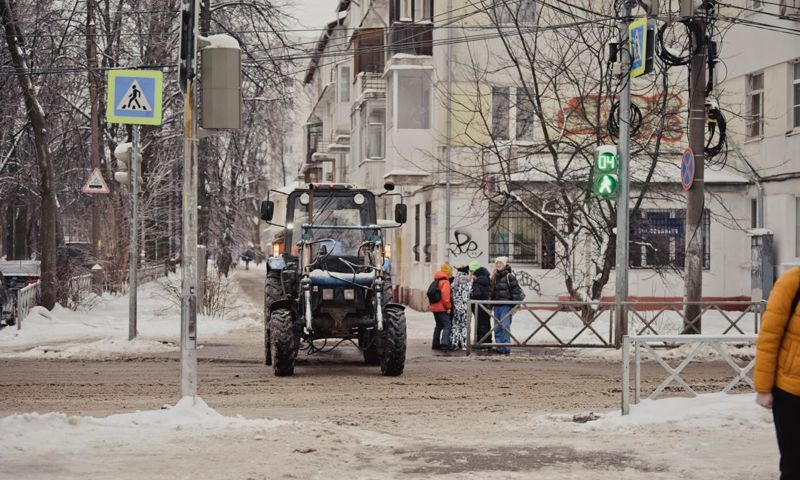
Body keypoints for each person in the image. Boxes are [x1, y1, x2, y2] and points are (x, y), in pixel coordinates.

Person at [754, 267, 800, 480]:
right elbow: (769, 336)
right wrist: (763, 388)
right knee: (794, 467)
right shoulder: (793, 281)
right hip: (791, 394)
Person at [490, 256, 524, 354]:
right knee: (497, 327)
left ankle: (506, 347)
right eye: (497, 263)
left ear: (504, 265)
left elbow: (516, 291)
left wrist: (515, 306)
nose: (498, 265)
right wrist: (489, 306)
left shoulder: (510, 276)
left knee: (505, 326)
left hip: (506, 306)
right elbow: (491, 293)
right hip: (496, 306)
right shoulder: (494, 277)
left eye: (500, 263)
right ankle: (499, 346)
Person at [429, 263, 453, 351]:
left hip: (434, 307)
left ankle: (435, 344)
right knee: (447, 325)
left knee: (438, 325)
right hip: (442, 308)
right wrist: (448, 307)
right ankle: (445, 344)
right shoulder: (445, 282)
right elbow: (445, 297)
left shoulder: (436, 281)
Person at [469, 261, 492, 347]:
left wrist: (470, 295)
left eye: (472, 273)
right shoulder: (487, 281)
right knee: (486, 324)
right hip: (486, 306)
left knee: (480, 325)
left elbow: (476, 295)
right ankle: (488, 342)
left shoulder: (477, 282)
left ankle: (481, 343)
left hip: (479, 307)